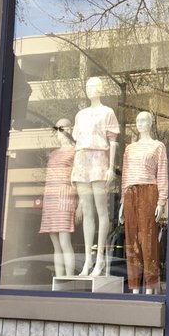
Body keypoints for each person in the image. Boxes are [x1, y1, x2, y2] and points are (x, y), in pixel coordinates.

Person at [71, 77, 119, 276]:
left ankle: (100, 258)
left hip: (99, 158)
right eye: (88, 87)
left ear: (100, 89)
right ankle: (88, 259)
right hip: (82, 159)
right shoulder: (80, 114)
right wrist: (75, 167)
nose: (90, 90)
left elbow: (113, 141)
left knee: (101, 211)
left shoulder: (108, 112)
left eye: (94, 86)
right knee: (87, 210)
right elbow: (77, 141)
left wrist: (111, 168)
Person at [119, 111, 167, 294]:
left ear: (151, 123)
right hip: (130, 192)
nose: (140, 123)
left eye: (144, 120)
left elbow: (162, 174)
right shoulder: (129, 149)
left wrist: (161, 202)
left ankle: (150, 285)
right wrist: (122, 201)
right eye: (138, 120)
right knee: (132, 240)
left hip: (149, 191)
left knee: (148, 240)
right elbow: (125, 175)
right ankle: (134, 287)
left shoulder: (158, 146)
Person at [39, 118, 77, 278]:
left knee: (64, 241)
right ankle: (59, 280)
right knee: (55, 244)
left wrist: (80, 203)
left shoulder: (76, 151)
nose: (59, 133)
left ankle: (69, 278)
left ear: (69, 130)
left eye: (61, 129)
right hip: (51, 197)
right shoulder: (53, 154)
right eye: (57, 129)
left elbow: (78, 177)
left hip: (65, 195)